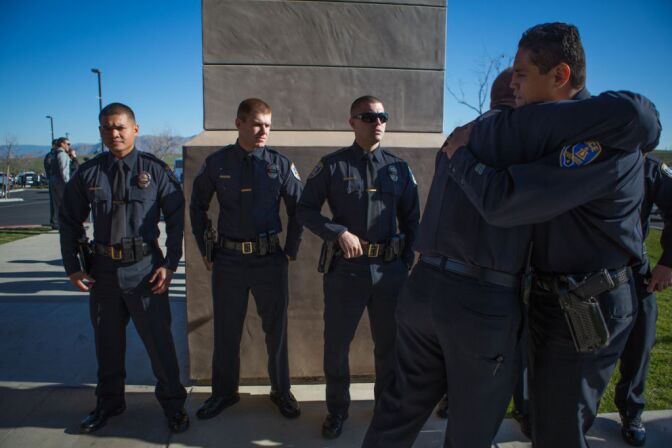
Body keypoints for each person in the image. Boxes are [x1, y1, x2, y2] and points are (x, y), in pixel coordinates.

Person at [441, 23, 661, 448]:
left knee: (559, 430)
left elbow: (505, 202)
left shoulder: (602, 140)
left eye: (522, 75)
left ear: (560, 76)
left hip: (584, 304)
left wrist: (461, 156)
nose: (513, 85)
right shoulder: (556, 132)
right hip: (553, 297)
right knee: (545, 420)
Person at [58, 102, 189, 434]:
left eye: (119, 127)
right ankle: (110, 403)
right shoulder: (88, 173)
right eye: (106, 127)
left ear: (135, 129)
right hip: (102, 273)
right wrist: (73, 267)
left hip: (146, 271)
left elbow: (177, 220)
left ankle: (174, 407)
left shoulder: (155, 170)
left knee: (160, 346)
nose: (113, 133)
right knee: (108, 346)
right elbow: (68, 220)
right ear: (101, 131)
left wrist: (171, 265)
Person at [298, 96, 420, 439]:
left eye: (382, 116)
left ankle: (385, 408)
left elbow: (413, 220)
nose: (377, 121)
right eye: (369, 116)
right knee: (336, 346)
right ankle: (337, 410)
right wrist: (337, 233)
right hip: (346, 272)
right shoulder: (333, 166)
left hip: (389, 273)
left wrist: (405, 261)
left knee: (389, 346)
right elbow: (305, 209)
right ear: (352, 122)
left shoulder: (398, 168)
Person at [190, 98, 303, 421]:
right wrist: (206, 248)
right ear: (238, 123)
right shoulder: (217, 163)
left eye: (268, 125)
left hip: (270, 260)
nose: (263, 131)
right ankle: (224, 394)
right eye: (256, 124)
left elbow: (299, 209)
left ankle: (281, 391)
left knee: (276, 330)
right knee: (226, 330)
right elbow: (197, 206)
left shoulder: (280, 164)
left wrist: (291, 251)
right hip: (228, 260)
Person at [433, 68, 531, 439]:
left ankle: (458, 404)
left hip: (447, 276)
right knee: (490, 381)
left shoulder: (459, 137)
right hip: (496, 284)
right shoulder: (517, 138)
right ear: (517, 93)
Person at [614, 154, 672, 447]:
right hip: (587, 275)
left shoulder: (649, 168)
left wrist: (668, 262)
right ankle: (575, 416)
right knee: (579, 356)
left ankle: (631, 411)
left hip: (636, 274)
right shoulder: (587, 158)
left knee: (639, 347)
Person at [50, 137, 71, 230]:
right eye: (68, 144)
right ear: (62, 144)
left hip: (54, 180)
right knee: (66, 204)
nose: (69, 146)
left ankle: (60, 224)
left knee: (58, 204)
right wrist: (68, 183)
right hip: (61, 182)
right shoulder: (62, 154)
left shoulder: (54, 153)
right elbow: (64, 169)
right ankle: (66, 225)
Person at [44, 139, 58, 228]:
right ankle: (54, 222)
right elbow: (48, 167)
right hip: (54, 181)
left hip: (55, 180)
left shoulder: (55, 155)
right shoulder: (51, 155)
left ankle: (57, 221)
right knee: (55, 203)